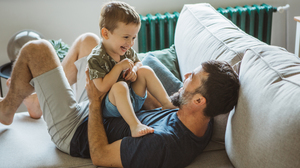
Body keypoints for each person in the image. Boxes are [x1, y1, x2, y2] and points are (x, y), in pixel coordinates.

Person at [0, 31, 239, 168]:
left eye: (192, 77)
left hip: (76, 130)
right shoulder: (197, 117)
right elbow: (152, 103)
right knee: (89, 42)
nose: (185, 76)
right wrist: (128, 78)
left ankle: (6, 110)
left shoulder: (164, 144)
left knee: (37, 49)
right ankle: (41, 103)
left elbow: (100, 156)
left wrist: (95, 101)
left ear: (199, 101)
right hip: (105, 108)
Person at [87, 1, 175, 137]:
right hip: (112, 106)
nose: (130, 43)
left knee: (145, 70)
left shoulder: (126, 50)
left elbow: (138, 63)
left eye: (133, 37)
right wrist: (118, 67)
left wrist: (134, 70)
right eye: (126, 37)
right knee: (119, 86)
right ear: (105, 33)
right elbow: (101, 87)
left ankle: (167, 104)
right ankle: (135, 125)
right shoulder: (96, 57)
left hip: (133, 98)